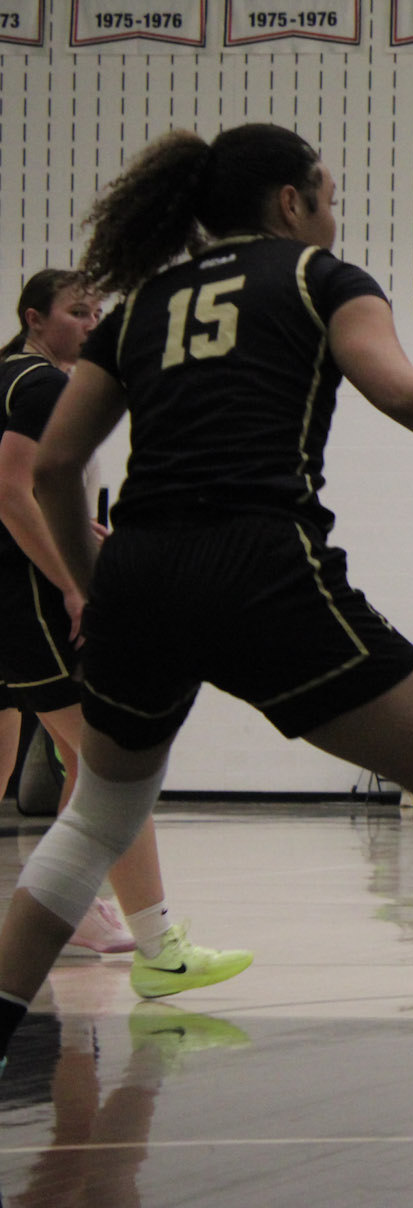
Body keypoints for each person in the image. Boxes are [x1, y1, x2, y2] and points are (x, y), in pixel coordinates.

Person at [0, 122, 413, 1109]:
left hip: (137, 567)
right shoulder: (319, 278)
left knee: (95, 817)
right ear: (292, 203)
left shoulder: (136, 310)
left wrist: (92, 585)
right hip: (257, 564)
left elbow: (51, 469)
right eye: (327, 194)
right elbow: (403, 393)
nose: (332, 212)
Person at [1, 270, 252, 987]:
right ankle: (158, 946)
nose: (91, 323)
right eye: (78, 312)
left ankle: (87, 913)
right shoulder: (41, 385)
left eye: (98, 311)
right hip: (28, 597)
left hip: (16, 594)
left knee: (82, 765)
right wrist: (75, 582)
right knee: (117, 765)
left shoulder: (12, 378)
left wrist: (86, 531)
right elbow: (14, 493)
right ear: (35, 319)